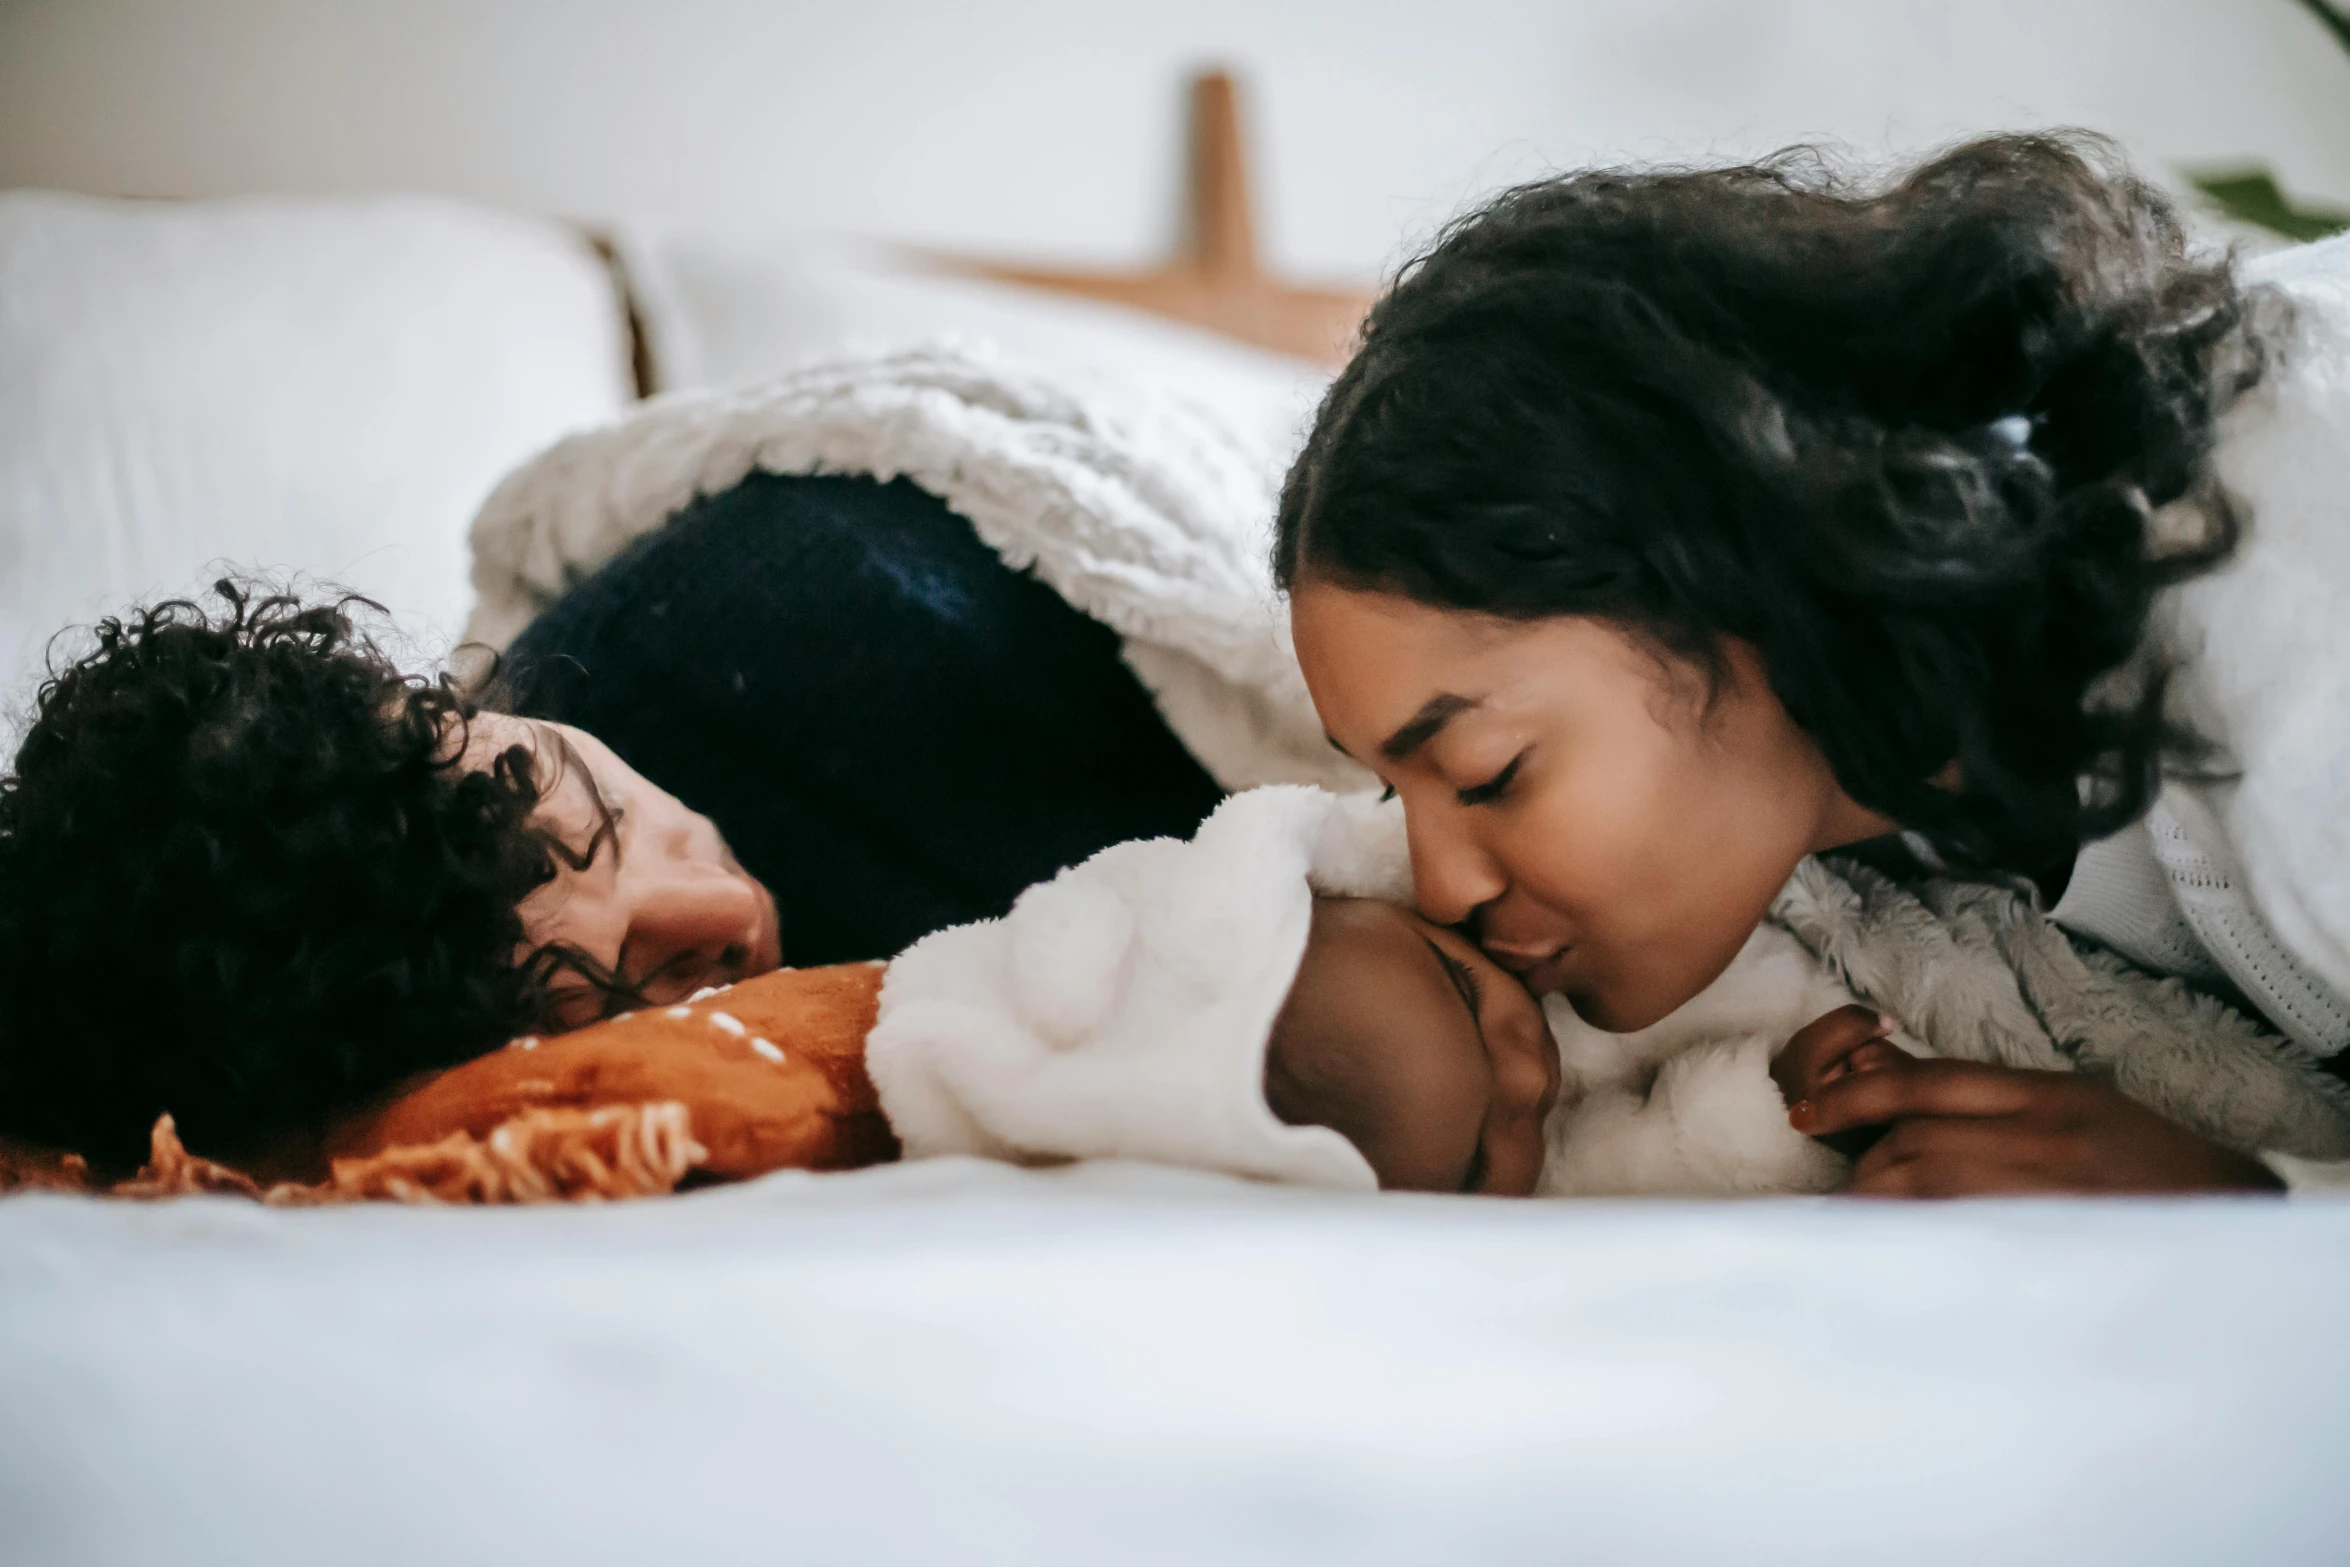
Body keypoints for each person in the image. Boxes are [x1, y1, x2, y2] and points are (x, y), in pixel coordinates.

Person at [1274, 133, 2350, 1195]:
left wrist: (2243, 1193)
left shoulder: (2290, 621)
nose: (1442, 884)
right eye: (1388, 785)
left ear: (1731, 560)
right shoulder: (1858, 755)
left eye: (1486, 770)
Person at [0, 474, 1223, 1170]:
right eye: (585, 992)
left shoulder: (811, 618)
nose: (724, 909)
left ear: (449, 707)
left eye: (590, 809)